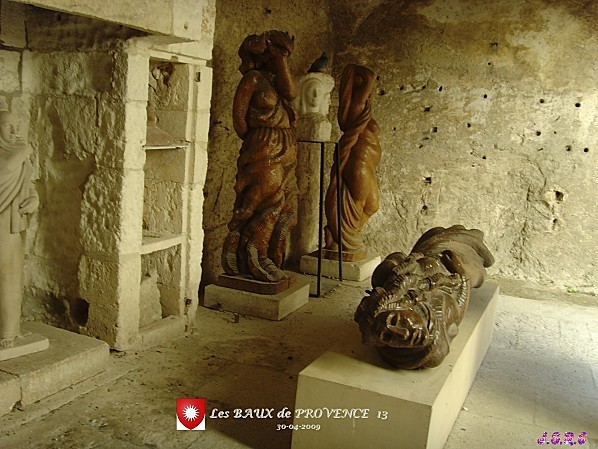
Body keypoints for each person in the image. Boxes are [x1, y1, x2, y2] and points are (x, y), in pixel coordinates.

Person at [221, 31, 298, 283]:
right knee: (266, 199)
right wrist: (257, 142)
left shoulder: (277, 81)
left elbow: (292, 93)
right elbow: (239, 120)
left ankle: (269, 254)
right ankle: (256, 255)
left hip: (285, 145)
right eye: (275, 53)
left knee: (285, 203)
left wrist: (281, 60)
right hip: (263, 145)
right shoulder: (252, 79)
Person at [324, 64, 381, 260]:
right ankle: (341, 239)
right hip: (359, 165)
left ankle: (345, 237)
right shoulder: (356, 108)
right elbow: (371, 76)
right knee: (357, 205)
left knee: (372, 206)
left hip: (369, 166)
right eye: (368, 90)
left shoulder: (364, 110)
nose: (372, 92)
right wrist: (353, 71)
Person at [0, 110, 39, 348]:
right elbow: (5, 169)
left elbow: (28, 186)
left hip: (13, 226)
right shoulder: (16, 153)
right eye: (7, 126)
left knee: (11, 277)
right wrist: (23, 150)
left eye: (15, 126)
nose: (14, 131)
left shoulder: (19, 154)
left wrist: (34, 199)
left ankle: (9, 332)